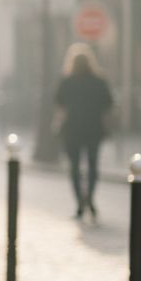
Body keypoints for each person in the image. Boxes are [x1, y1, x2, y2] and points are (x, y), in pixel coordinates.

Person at [54, 43, 113, 221]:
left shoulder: (67, 81)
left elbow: (59, 105)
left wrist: (58, 123)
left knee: (75, 167)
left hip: (72, 128)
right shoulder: (99, 81)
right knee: (93, 166)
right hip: (93, 128)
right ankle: (90, 198)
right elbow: (108, 105)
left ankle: (80, 201)